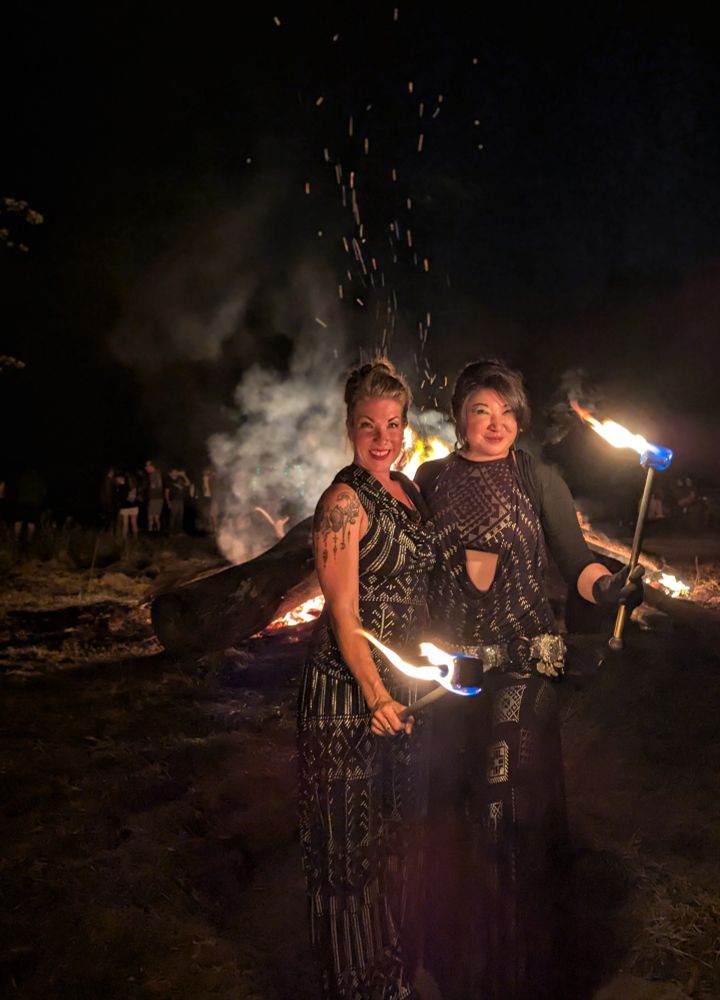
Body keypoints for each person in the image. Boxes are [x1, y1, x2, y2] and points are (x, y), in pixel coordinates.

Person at [414, 359, 643, 1000]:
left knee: (499, 802)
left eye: (508, 411)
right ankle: (460, 963)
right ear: (460, 414)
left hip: (526, 657)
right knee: (451, 806)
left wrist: (611, 585)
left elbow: (576, 564)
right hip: (454, 670)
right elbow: (409, 571)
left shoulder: (535, 476)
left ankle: (522, 970)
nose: (498, 424)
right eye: (483, 410)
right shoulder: (429, 478)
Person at [297, 359, 436, 999]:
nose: (383, 438)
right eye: (368, 426)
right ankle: (355, 984)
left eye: (393, 424)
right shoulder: (342, 503)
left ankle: (394, 970)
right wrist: (376, 693)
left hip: (402, 692)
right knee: (347, 848)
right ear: (350, 429)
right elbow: (342, 614)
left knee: (394, 836)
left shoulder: (407, 489)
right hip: (348, 696)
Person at [144, 460, 165, 532]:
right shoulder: (152, 475)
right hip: (153, 498)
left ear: (152, 466)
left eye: (147, 466)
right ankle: (152, 532)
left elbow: (158, 486)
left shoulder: (156, 474)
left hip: (157, 499)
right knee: (151, 517)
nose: (146, 468)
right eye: (146, 466)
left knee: (155, 518)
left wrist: (152, 487)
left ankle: (157, 533)